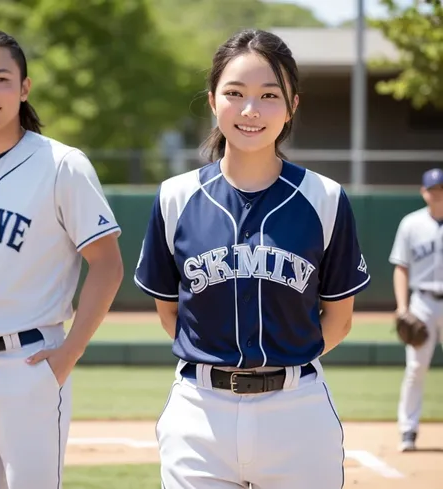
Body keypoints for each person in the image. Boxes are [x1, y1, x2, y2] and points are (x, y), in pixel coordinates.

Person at [134, 29, 371, 488]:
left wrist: (286, 366)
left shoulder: (324, 197)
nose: (250, 110)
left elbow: (339, 320)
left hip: (297, 413)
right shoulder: (175, 196)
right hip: (200, 413)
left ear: (292, 106)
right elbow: (171, 313)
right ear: (212, 100)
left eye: (269, 95)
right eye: (235, 93)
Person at [0, 28, 124, 489]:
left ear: (24, 88)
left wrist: (69, 354)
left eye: (1, 79)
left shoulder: (62, 164)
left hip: (30, 364)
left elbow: (108, 265)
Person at [389, 168, 443, 452]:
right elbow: (401, 267)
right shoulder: (411, 223)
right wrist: (402, 308)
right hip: (422, 301)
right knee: (415, 368)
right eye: (432, 189)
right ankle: (408, 431)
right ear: (423, 192)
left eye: (441, 189)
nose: (437, 194)